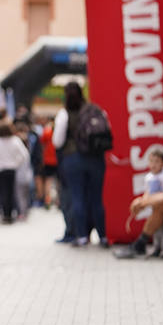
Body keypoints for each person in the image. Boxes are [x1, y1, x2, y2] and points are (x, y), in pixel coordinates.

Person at [53, 81, 108, 247]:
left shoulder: (65, 113)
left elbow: (57, 141)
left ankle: (82, 236)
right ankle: (102, 236)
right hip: (96, 159)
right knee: (97, 198)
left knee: (77, 198)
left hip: (73, 159)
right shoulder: (94, 110)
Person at [0, 121, 29, 224]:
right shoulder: (15, 140)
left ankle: (5, 214)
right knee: (11, 192)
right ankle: (10, 214)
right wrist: (16, 163)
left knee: (3, 192)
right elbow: (24, 155)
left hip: (0, 170)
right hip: (12, 169)